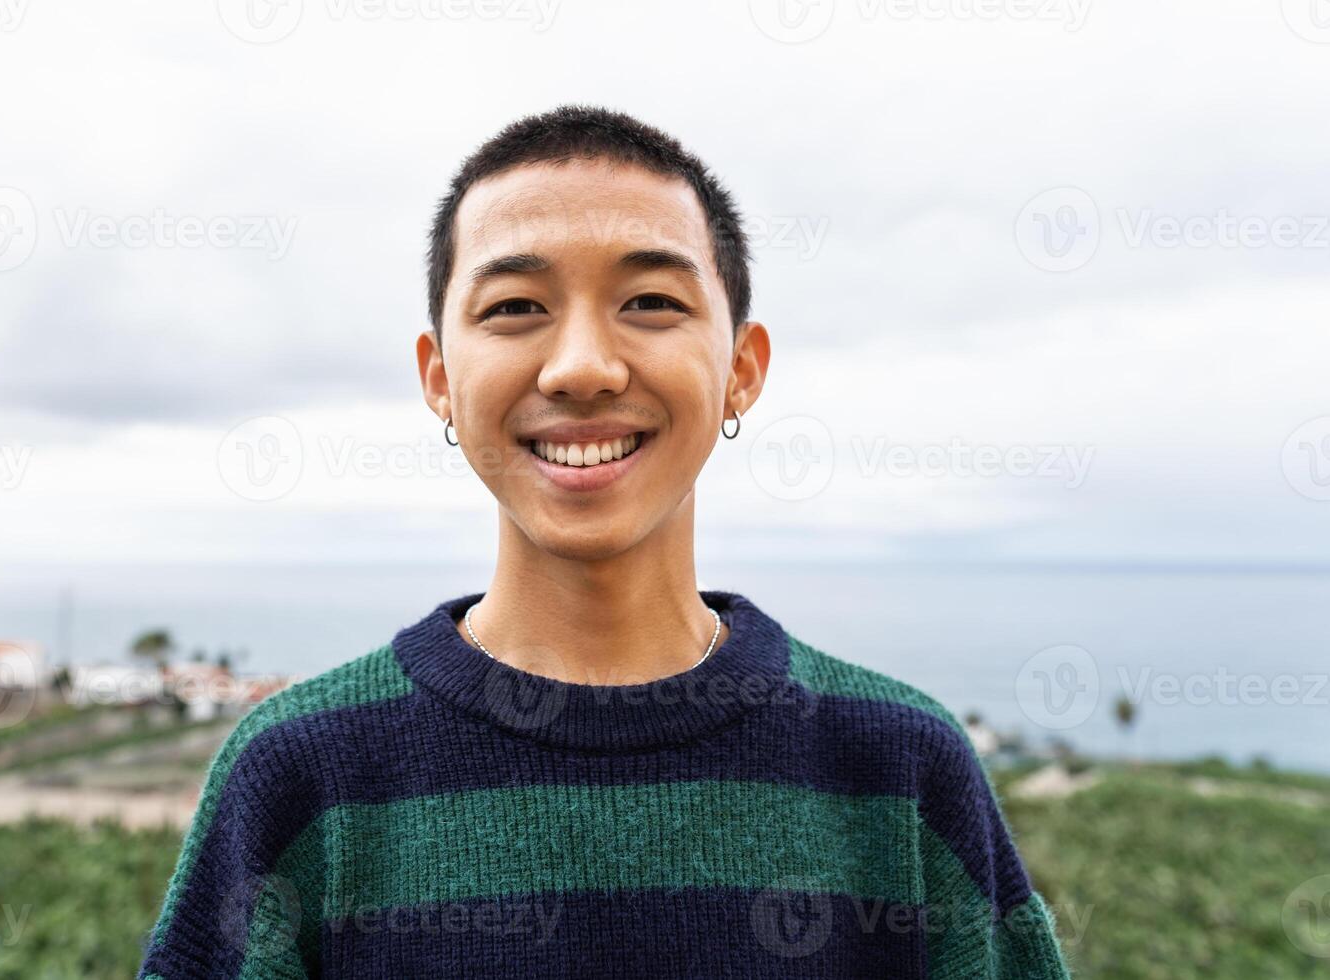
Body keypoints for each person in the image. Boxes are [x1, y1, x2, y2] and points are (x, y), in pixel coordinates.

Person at [138, 105, 1071, 979]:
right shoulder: (302, 776)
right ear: (439, 378)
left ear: (742, 369)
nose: (582, 366)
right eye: (514, 308)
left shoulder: (899, 772)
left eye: (651, 301)